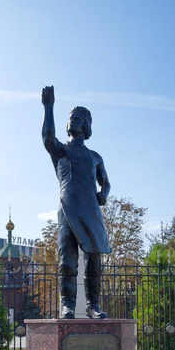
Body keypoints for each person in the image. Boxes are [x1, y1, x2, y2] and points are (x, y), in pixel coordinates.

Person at [41, 85, 112, 319]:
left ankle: (93, 306)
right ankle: (67, 305)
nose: (74, 120)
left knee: (94, 261)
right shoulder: (61, 150)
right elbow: (47, 138)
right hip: (68, 208)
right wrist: (49, 106)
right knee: (67, 260)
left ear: (87, 125)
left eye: (79, 118)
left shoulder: (95, 156)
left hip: (90, 210)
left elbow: (106, 182)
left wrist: (104, 194)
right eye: (71, 117)